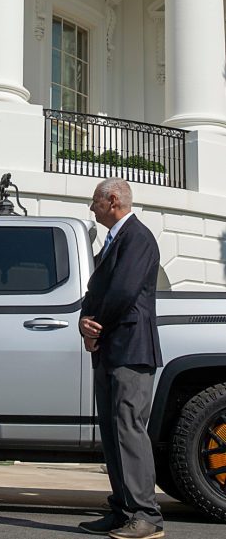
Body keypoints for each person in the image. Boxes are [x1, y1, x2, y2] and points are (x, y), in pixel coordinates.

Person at [78, 178, 164, 539]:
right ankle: (123, 510)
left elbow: (124, 291)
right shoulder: (116, 239)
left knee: (128, 429)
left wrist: (95, 326)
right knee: (113, 432)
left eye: (95, 202)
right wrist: (85, 320)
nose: (91, 208)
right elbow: (96, 288)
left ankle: (146, 516)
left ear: (112, 200)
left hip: (130, 348)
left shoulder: (137, 237)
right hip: (112, 348)